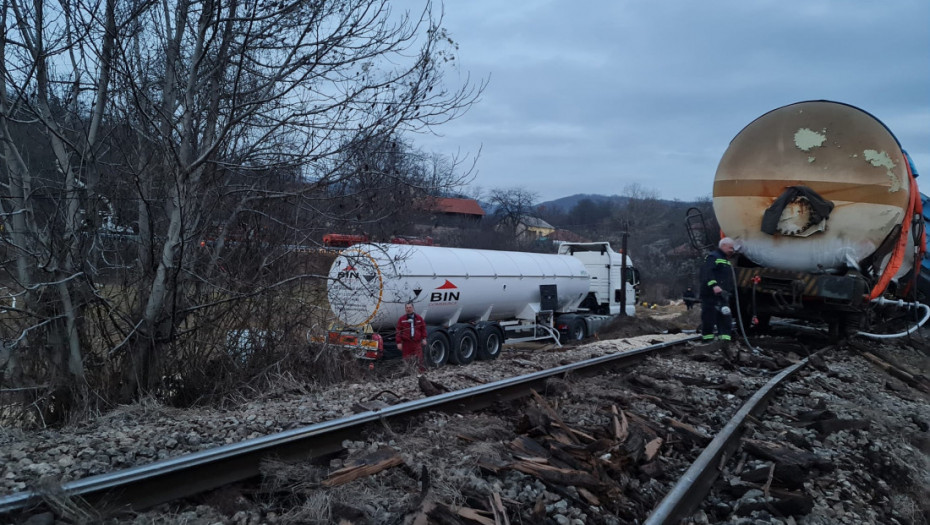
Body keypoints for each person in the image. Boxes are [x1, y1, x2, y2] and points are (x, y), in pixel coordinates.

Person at [700, 237, 737, 345]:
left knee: (725, 316)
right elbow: (708, 273)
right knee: (709, 316)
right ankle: (707, 339)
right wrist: (714, 285)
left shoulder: (725, 260)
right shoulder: (713, 257)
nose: (732, 250)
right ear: (723, 246)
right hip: (711, 294)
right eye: (730, 248)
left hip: (723, 294)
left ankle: (724, 340)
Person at [396, 302, 427, 370]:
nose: (408, 309)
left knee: (419, 358)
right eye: (407, 308)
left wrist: (424, 338)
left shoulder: (419, 318)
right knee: (407, 359)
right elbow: (398, 331)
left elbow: (423, 329)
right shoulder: (402, 319)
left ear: (413, 308)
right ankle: (408, 372)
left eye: (410, 307)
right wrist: (399, 342)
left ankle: (420, 372)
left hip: (416, 342)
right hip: (406, 343)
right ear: (405, 309)